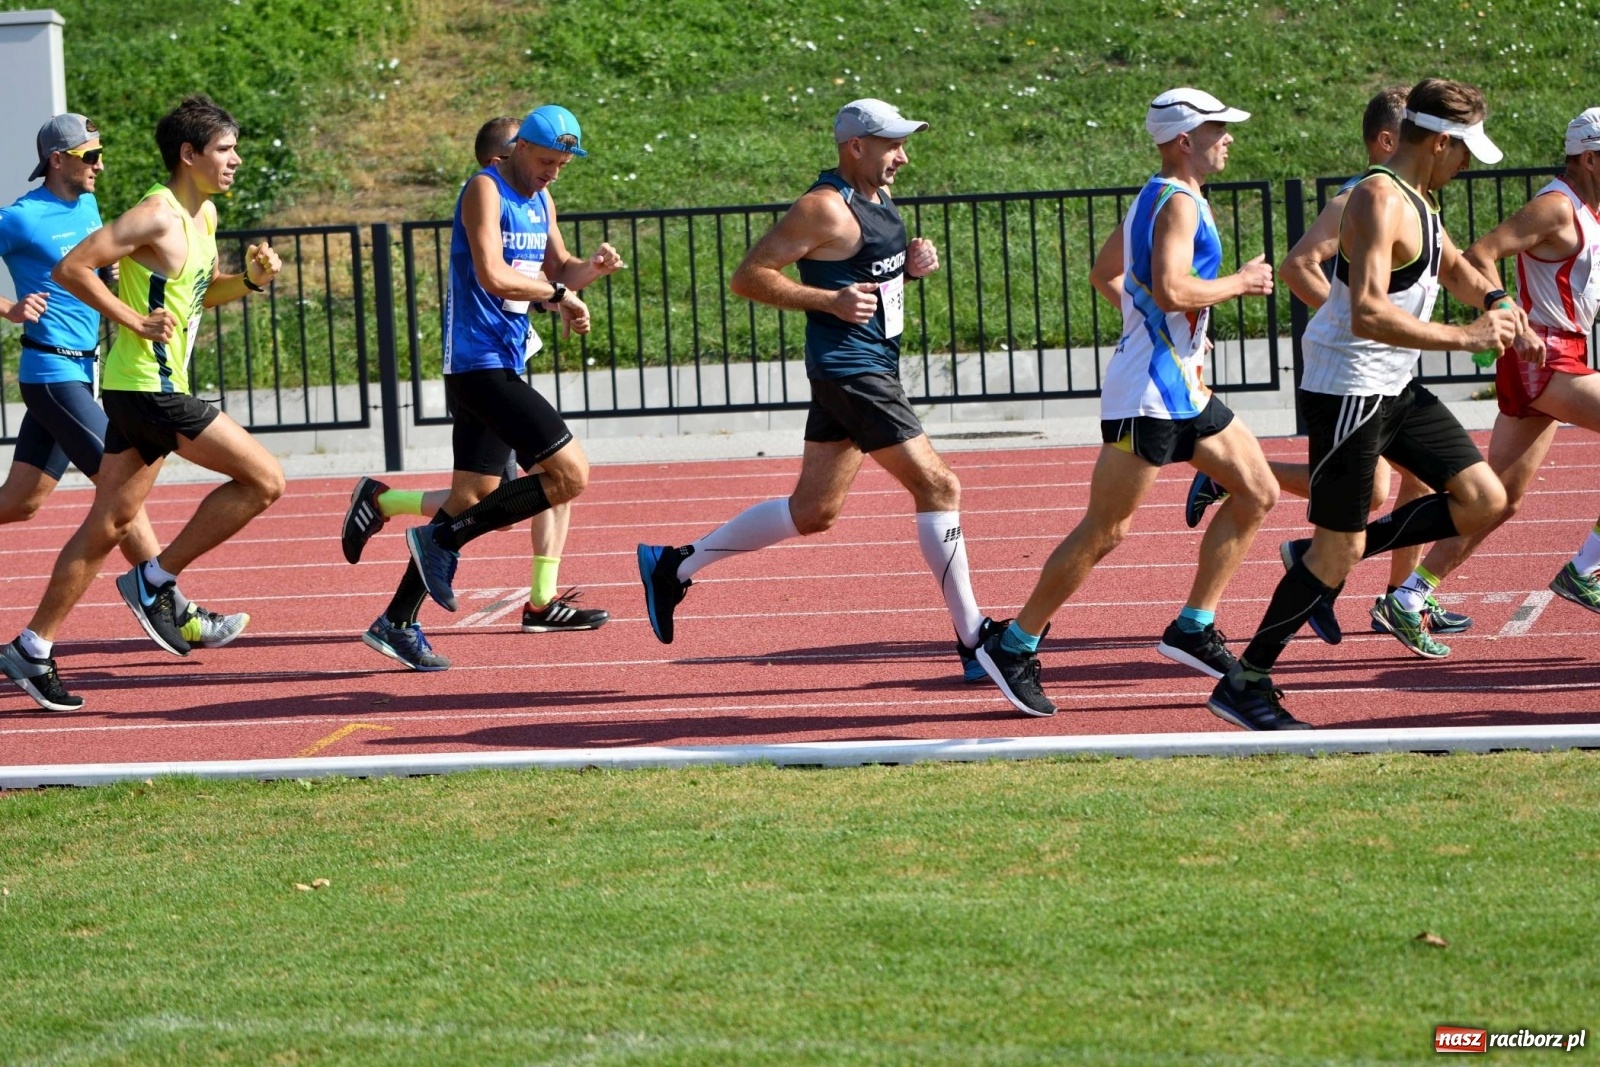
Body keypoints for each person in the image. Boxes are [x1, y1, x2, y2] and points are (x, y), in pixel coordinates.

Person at [635, 98, 999, 682]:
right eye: (893, 145)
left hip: (867, 365)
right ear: (856, 146)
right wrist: (827, 301)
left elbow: (864, 274)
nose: (903, 157)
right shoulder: (823, 207)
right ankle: (975, 637)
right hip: (852, 371)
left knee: (813, 511)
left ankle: (672, 568)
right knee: (939, 484)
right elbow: (749, 276)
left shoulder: (879, 198)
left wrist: (909, 267)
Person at [1207, 78, 1528, 730]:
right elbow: (1370, 311)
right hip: (1349, 388)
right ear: (1439, 143)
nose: (1468, 165)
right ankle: (1247, 678)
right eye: (1466, 151)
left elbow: (1455, 264)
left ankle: (1327, 551)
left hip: (1397, 385)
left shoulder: (1422, 200)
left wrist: (1496, 302)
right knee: (1337, 552)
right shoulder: (1376, 200)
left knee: (1485, 500)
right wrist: (1464, 336)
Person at [974, 88, 1280, 717]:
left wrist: (1151, 328)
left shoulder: (1159, 194)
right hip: (1148, 394)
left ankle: (1193, 626)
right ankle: (1013, 644)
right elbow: (1169, 290)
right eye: (1218, 129)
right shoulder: (1177, 205)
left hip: (1180, 386)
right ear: (1183, 139)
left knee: (1258, 490)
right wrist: (1241, 283)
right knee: (1107, 529)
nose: (1229, 138)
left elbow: (1104, 273)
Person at [0, 96, 285, 712]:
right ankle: (156, 583)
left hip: (129, 382)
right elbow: (76, 268)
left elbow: (197, 297)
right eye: (224, 150)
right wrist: (133, 319)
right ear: (190, 155)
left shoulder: (199, 217)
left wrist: (253, 283)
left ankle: (32, 647)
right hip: (143, 389)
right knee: (265, 480)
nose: (235, 160)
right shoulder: (153, 213)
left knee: (103, 522)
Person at [1188, 86, 1476, 642]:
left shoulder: (1417, 201)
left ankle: (1399, 594)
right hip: (1356, 372)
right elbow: (1298, 264)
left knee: (1400, 489)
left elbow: (1452, 264)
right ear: (1392, 140)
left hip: (1392, 370)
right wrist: (1344, 314)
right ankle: (1387, 593)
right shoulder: (1362, 198)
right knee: (1383, 493)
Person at [363, 104, 623, 671]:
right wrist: (558, 297)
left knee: (470, 497)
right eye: (547, 161)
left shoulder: (542, 199)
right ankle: (442, 543)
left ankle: (397, 621)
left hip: (507, 359)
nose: (553, 173)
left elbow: (557, 269)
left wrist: (589, 272)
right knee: (569, 475)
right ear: (519, 150)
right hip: (477, 362)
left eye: (562, 165)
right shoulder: (485, 188)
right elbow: (492, 272)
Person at [1380, 107, 1600, 646]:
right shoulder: (1556, 208)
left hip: (1558, 353)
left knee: (1498, 498)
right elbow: (1482, 253)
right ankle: (1588, 567)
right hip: (1544, 355)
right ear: (1592, 158)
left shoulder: (1591, 209)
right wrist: (1511, 318)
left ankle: (1409, 596)